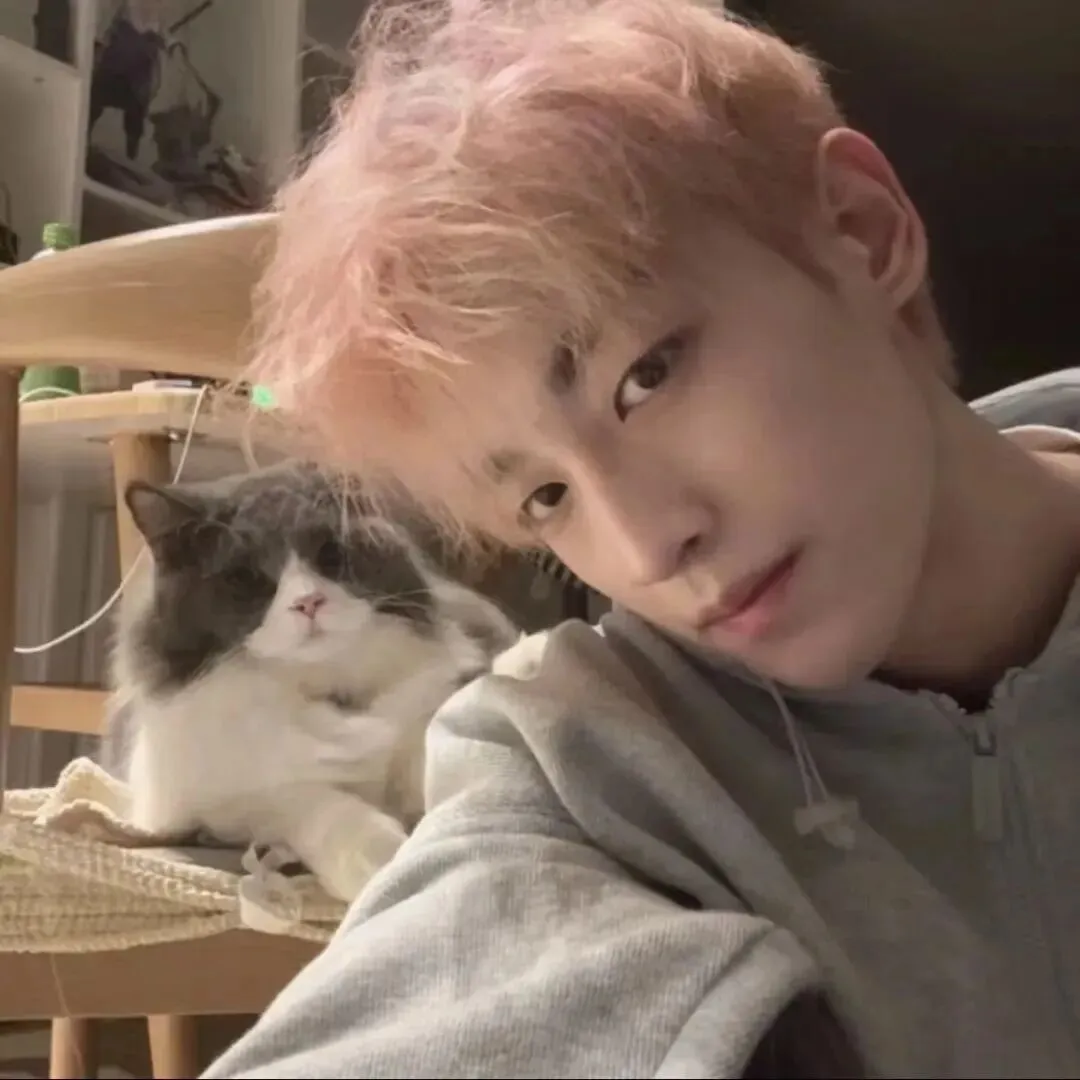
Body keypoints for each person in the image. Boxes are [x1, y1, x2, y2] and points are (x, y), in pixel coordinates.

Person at [201, 0, 1080, 1075]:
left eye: (644, 378)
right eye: (545, 498)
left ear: (862, 231)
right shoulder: (590, 761)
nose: (645, 547)